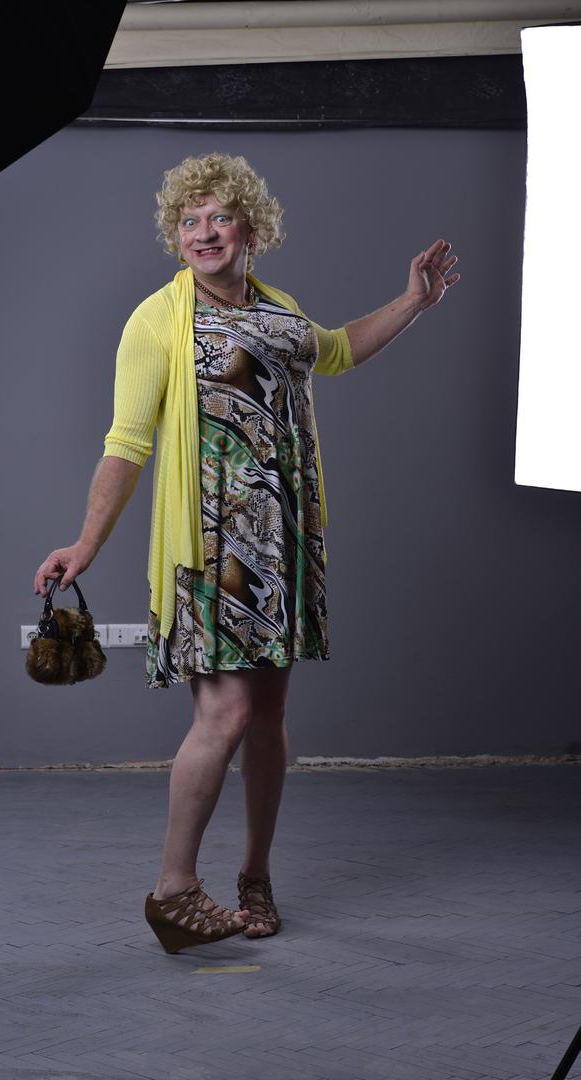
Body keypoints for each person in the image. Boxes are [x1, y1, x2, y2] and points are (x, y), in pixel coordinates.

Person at [33, 152, 460, 955]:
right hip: (212, 547)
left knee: (267, 715)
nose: (202, 233)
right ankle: (174, 891)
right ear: (175, 237)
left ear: (250, 229)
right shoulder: (157, 320)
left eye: (218, 217)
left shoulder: (278, 307)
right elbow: (127, 442)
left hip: (280, 542)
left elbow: (335, 350)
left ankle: (255, 878)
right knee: (224, 713)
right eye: (188, 221)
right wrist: (87, 540)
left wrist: (414, 301)